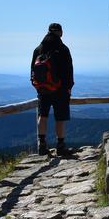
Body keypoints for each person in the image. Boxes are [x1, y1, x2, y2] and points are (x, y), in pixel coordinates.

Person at [30, 22, 74, 156]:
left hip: (43, 90)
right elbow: (68, 71)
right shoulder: (63, 48)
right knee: (59, 118)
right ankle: (60, 146)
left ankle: (41, 145)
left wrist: (38, 86)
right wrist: (68, 87)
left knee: (42, 115)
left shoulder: (38, 49)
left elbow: (33, 70)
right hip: (60, 90)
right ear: (60, 32)